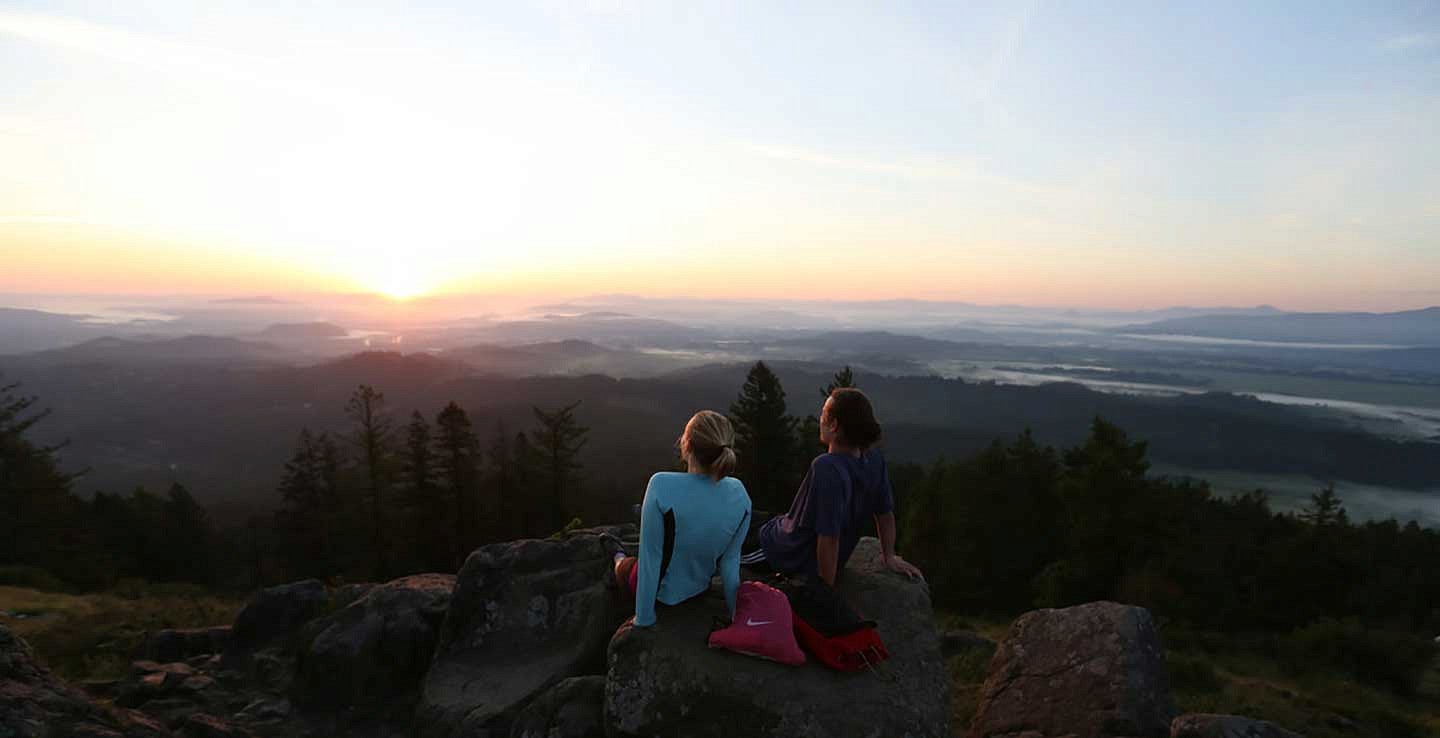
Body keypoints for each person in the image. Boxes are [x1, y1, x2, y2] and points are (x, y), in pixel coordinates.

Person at [741, 388, 923, 586]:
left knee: (725, 531)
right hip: (784, 527)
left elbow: (829, 537)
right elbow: (885, 513)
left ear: (834, 425)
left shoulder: (827, 467)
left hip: (781, 551)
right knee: (746, 515)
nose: (820, 418)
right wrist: (889, 555)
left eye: (823, 413)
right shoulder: (873, 460)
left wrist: (825, 591)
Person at [613, 410, 752, 627]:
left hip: (662, 594)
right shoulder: (740, 494)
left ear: (686, 445)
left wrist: (644, 618)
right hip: (698, 590)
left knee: (624, 567)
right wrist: (737, 616)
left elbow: (651, 560)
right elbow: (730, 561)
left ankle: (616, 554)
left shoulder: (661, 485)